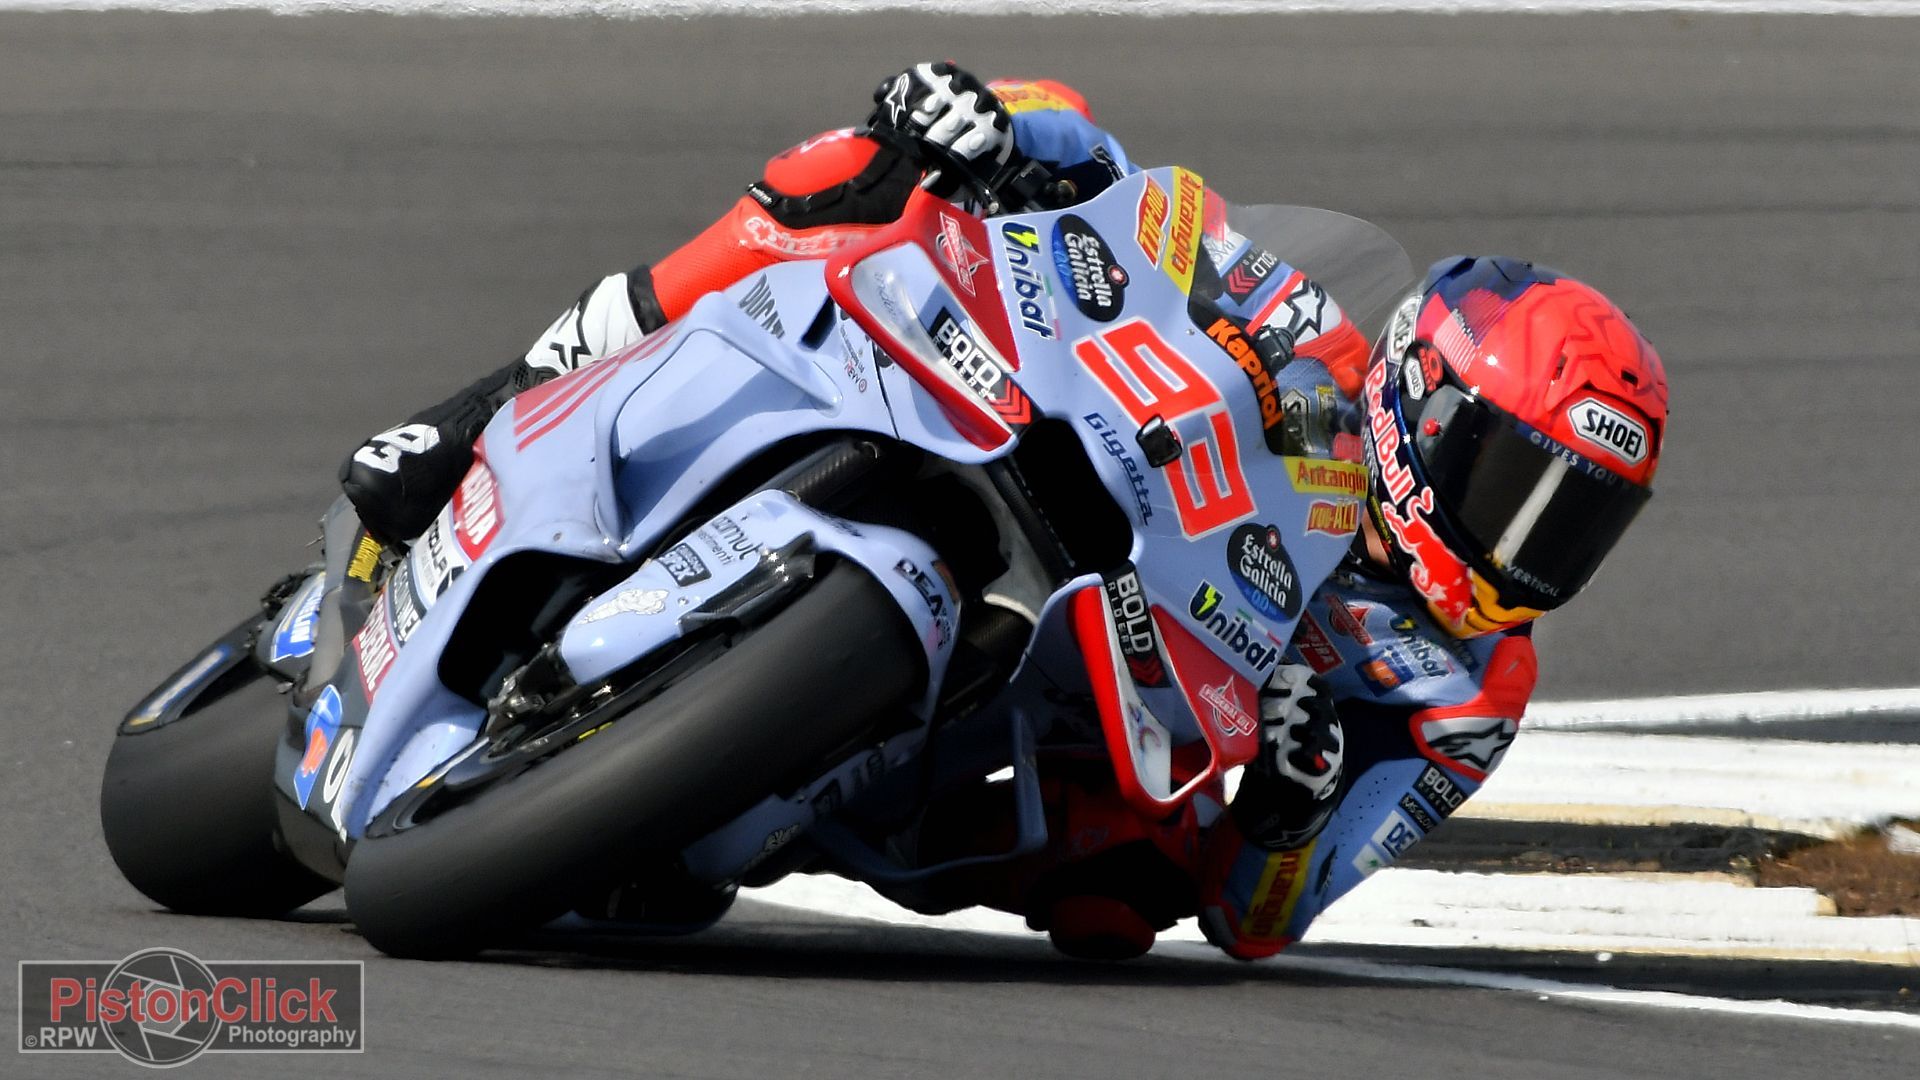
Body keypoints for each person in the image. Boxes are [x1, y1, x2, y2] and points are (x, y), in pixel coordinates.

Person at [336, 63, 1669, 960]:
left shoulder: (1467, 692)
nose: (1532, 545)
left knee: (1117, 904)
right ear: (1427, 399)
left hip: (1125, 727)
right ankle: (487, 408)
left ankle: (762, 788)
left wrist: (1285, 807)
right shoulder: (1310, 331)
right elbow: (1141, 195)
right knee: (851, 178)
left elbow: (1264, 919)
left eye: (1578, 522)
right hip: (1059, 453)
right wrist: (1003, 129)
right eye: (1519, 487)